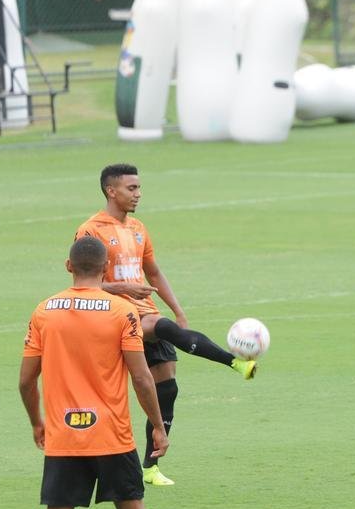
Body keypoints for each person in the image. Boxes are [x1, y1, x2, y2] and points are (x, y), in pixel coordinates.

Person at [20, 235, 176, 509]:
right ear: (106, 270)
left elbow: (25, 380)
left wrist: (37, 422)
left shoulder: (44, 311)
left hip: (63, 437)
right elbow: (142, 377)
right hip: (112, 435)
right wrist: (158, 425)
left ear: (69, 266)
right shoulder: (121, 310)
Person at [77, 163, 256, 487]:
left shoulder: (138, 229)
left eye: (139, 188)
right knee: (163, 329)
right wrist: (123, 289)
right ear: (111, 191)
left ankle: (150, 467)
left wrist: (178, 309)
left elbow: (154, 273)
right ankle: (235, 363)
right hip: (112, 314)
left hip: (144, 308)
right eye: (131, 189)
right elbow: (82, 284)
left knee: (167, 386)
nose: (138, 194)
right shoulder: (92, 231)